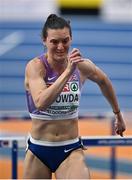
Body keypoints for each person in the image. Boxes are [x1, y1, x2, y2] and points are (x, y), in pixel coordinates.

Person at [23, 14, 126, 179]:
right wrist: (68, 72)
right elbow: (41, 102)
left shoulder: (81, 66)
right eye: (54, 42)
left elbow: (104, 81)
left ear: (71, 39)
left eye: (65, 41)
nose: (60, 47)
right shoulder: (35, 67)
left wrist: (118, 114)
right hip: (39, 149)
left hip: (70, 148)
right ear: (44, 40)